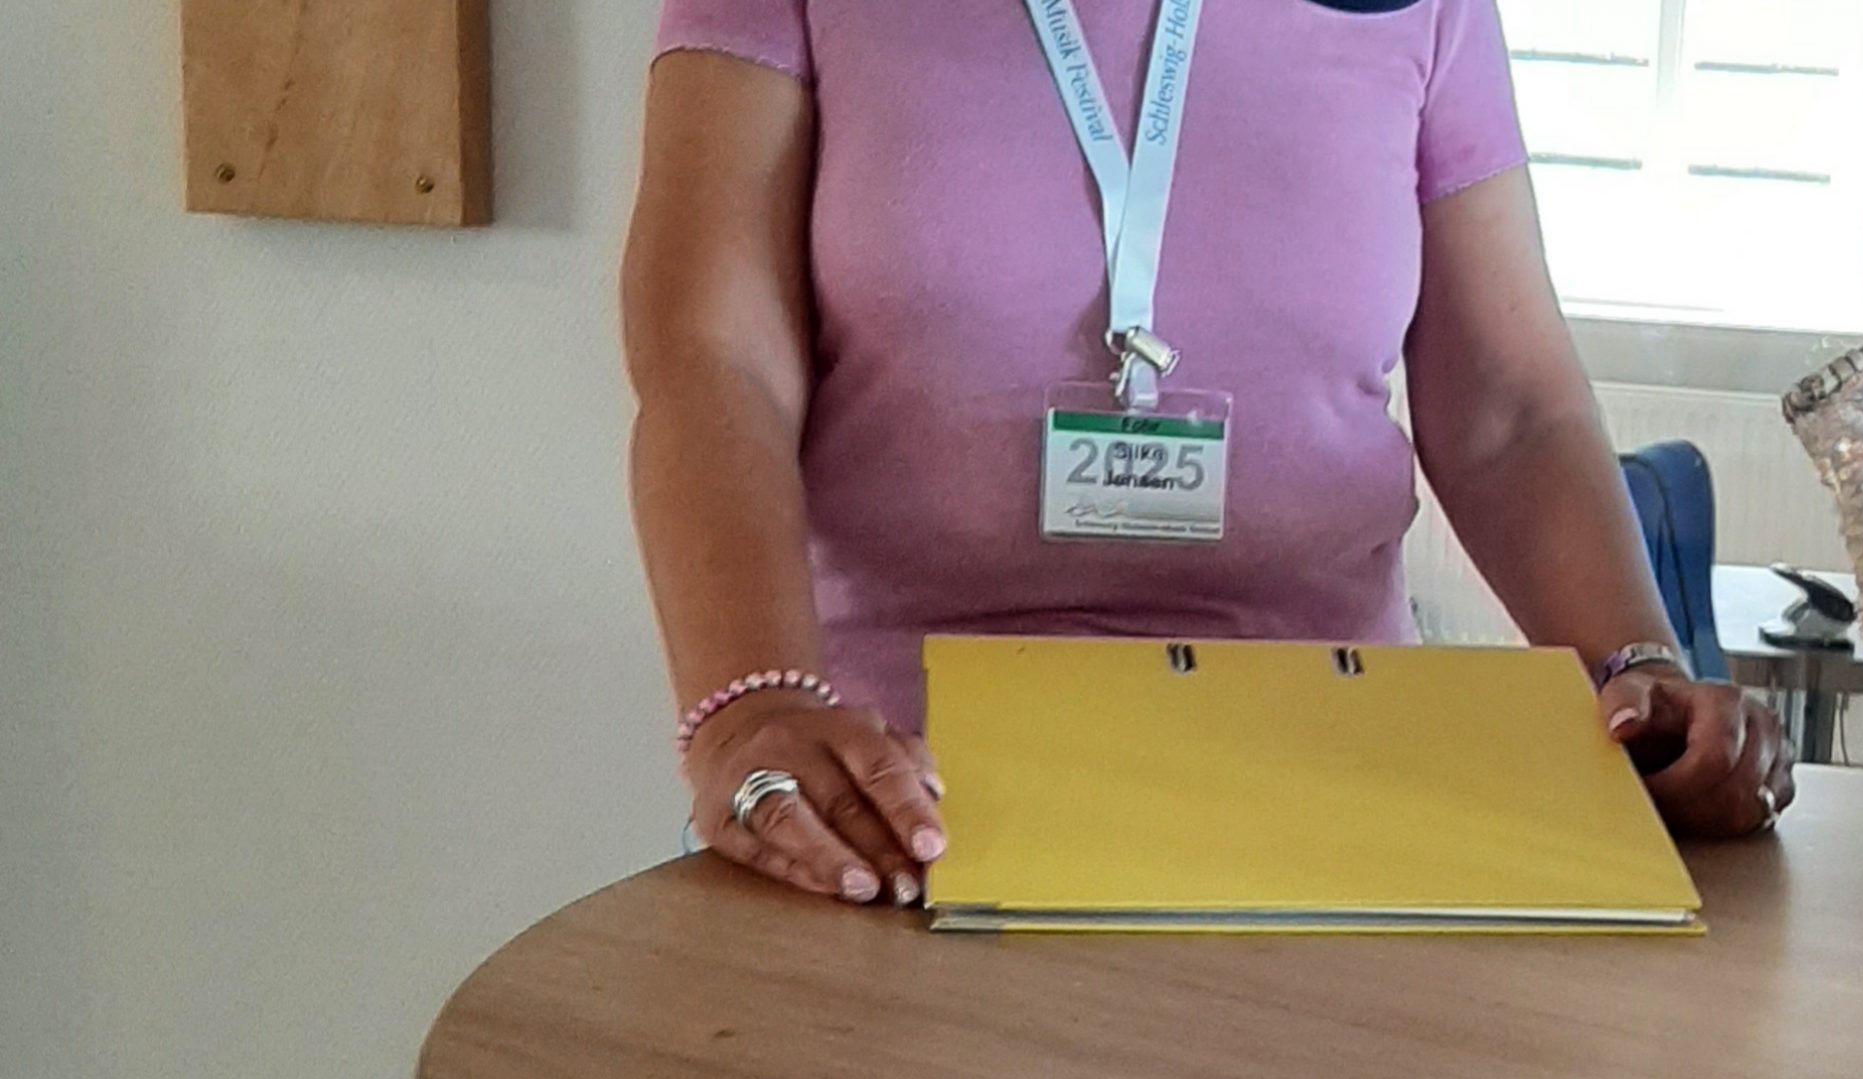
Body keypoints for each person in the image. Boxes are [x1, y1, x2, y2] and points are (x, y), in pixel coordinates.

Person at [627, 0, 1796, 906]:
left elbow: (1508, 412)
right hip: (895, 800)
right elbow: (713, 358)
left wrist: (1640, 668)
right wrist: (751, 705)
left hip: (1336, 791)